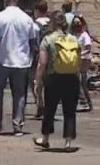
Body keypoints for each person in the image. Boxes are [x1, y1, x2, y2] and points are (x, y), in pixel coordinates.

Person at [0, 0, 39, 136]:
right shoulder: (27, 18)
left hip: (2, 60)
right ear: (17, 1)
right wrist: (32, 59)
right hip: (22, 62)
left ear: (5, 1)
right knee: (20, 94)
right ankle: (18, 125)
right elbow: (32, 42)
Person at [33, 15, 81, 150]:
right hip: (72, 78)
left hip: (54, 77)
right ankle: (68, 142)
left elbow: (42, 63)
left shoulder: (48, 39)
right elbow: (79, 60)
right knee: (70, 111)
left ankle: (45, 138)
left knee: (50, 109)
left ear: (53, 24)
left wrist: (37, 79)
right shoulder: (74, 39)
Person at [32, 0, 51, 119]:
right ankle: (49, 106)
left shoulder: (35, 25)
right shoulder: (52, 23)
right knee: (49, 82)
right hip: (52, 56)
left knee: (36, 82)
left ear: (37, 11)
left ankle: (40, 104)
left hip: (39, 56)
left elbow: (34, 42)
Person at [71, 16, 93, 112]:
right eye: (75, 23)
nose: (77, 25)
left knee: (80, 81)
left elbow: (88, 49)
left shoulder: (85, 35)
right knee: (81, 82)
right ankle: (86, 102)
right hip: (76, 60)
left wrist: (80, 54)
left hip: (84, 60)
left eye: (78, 23)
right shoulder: (74, 35)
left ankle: (84, 102)